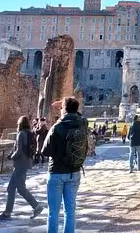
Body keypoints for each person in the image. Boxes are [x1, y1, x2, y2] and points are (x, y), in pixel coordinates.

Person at [42, 96, 88, 233]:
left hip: (56, 172)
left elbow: (45, 151)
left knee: (53, 212)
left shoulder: (57, 127)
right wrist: (66, 105)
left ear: (64, 109)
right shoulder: (82, 124)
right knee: (70, 210)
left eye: (61, 107)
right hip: (74, 172)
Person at [0, 116, 44, 221]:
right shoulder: (29, 133)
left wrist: (10, 157)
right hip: (26, 163)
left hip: (20, 164)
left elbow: (19, 150)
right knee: (12, 188)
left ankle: (36, 206)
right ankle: (8, 212)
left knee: (20, 188)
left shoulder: (21, 134)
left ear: (20, 124)